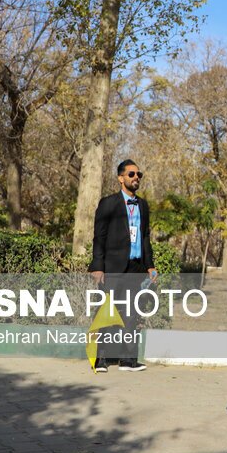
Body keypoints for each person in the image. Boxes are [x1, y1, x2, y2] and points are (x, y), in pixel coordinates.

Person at [89, 159, 157, 374]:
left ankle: (128, 360)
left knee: (130, 314)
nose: (136, 177)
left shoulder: (143, 205)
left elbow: (145, 237)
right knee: (106, 312)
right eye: (131, 174)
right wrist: (98, 266)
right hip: (113, 268)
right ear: (120, 178)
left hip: (135, 268)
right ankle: (100, 359)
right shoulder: (108, 203)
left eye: (139, 174)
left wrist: (150, 265)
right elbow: (99, 237)